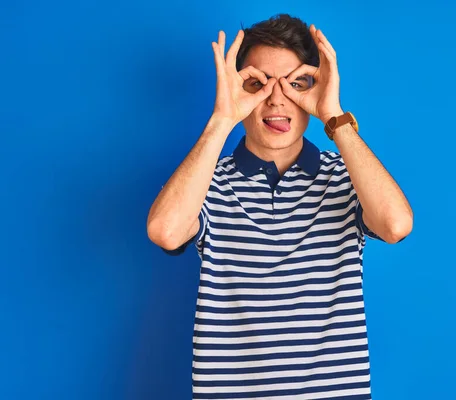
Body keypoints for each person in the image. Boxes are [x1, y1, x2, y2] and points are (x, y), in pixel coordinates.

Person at [147, 13, 413, 400]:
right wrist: (222, 119)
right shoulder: (208, 182)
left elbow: (396, 225)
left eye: (296, 83)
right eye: (257, 83)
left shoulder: (345, 176)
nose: (276, 98)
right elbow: (164, 231)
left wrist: (334, 117)